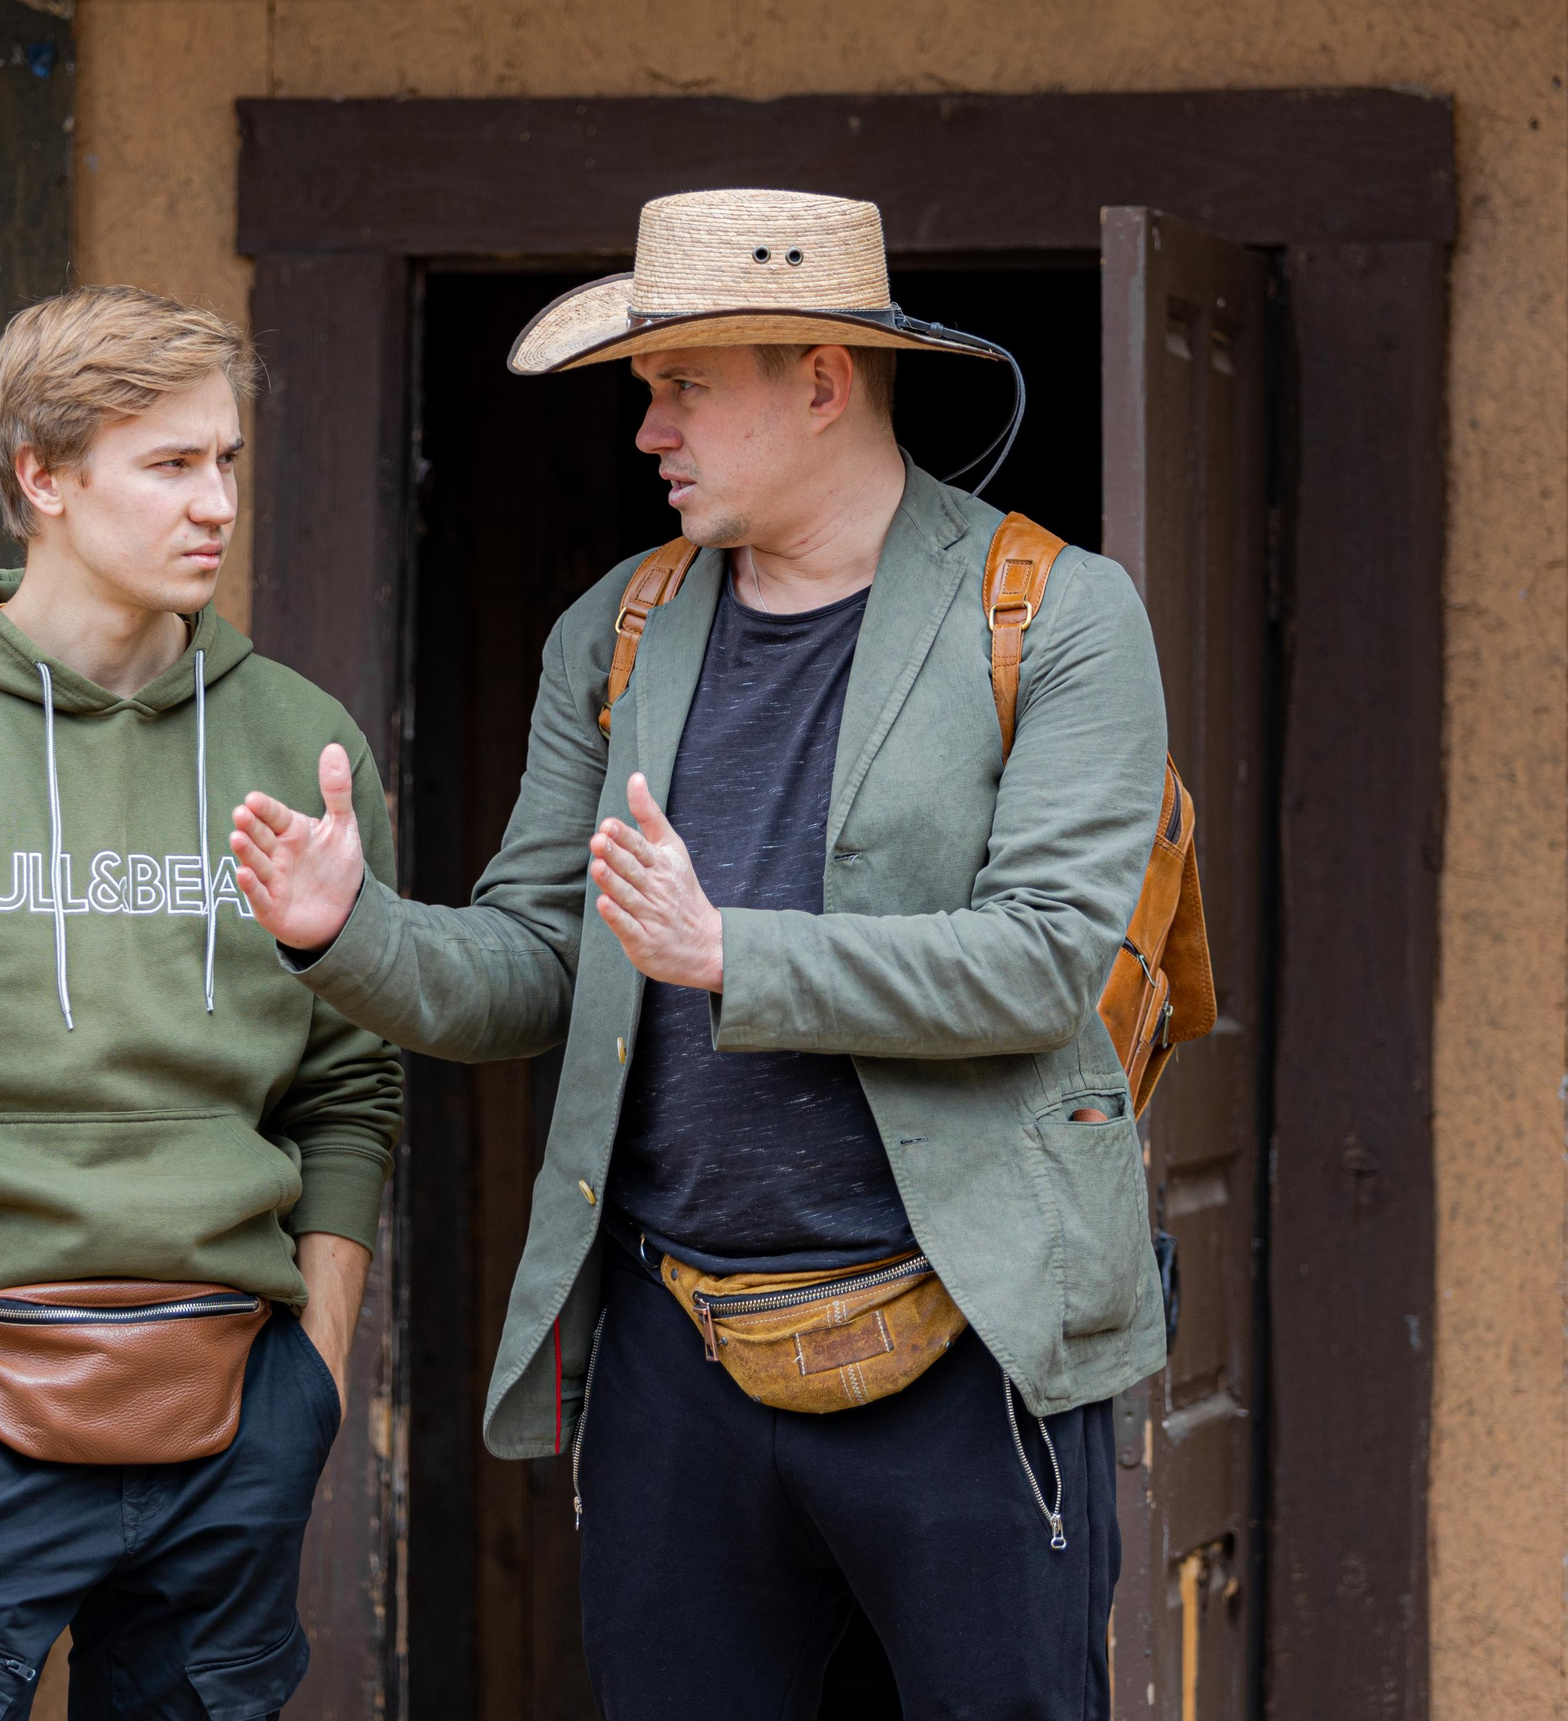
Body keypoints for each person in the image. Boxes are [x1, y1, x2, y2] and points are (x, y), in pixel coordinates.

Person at [230, 190, 1167, 1719]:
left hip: (965, 1340)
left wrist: (731, 950)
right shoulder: (618, 626)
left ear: (819, 380)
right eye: (644, 389)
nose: (648, 428)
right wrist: (351, 932)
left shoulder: (1056, 613)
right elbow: (539, 960)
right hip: (681, 1351)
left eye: (683, 385)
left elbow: (1049, 959)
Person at [0, 285, 402, 1720]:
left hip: (237, 1400)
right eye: (170, 465)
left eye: (226, 460)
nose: (215, 503)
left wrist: (320, 1377)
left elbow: (350, 1087)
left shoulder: (305, 742)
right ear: (42, 479)